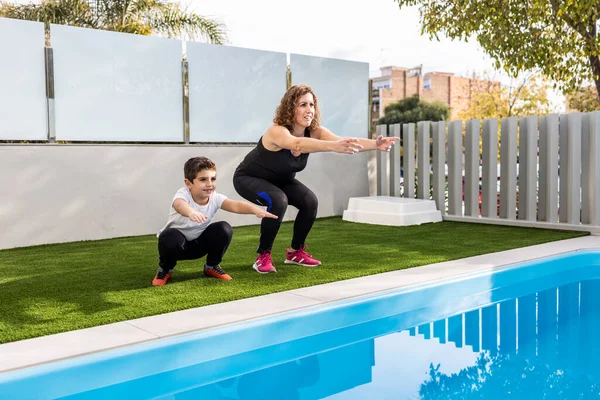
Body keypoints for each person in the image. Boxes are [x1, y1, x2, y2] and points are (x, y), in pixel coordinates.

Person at [233, 84, 400, 274]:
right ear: (290, 107)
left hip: (280, 180)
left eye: (312, 105)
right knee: (279, 200)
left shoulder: (314, 131)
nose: (309, 110)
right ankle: (263, 256)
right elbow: (297, 143)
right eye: (303, 104)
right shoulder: (277, 131)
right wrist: (332, 147)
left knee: (309, 201)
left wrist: (375, 144)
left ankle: (295, 252)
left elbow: (342, 141)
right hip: (248, 178)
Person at [152, 156, 277, 286]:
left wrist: (256, 210)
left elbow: (235, 205)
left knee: (224, 228)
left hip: (199, 246)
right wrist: (191, 212)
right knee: (169, 235)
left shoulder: (215, 198)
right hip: (177, 247)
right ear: (189, 183)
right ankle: (165, 269)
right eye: (203, 179)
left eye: (213, 179)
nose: (209, 184)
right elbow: (179, 205)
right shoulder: (183, 194)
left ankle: (211, 266)